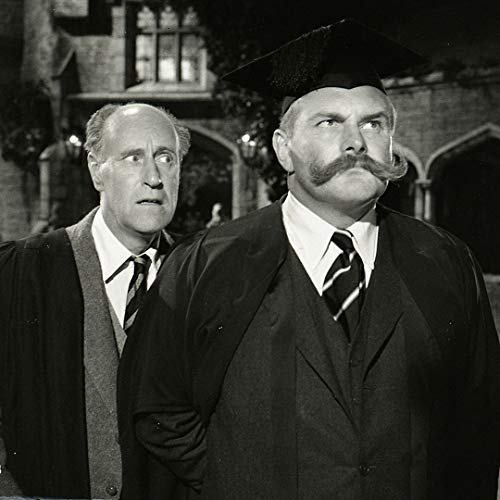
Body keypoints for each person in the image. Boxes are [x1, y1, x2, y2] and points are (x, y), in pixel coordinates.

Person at [120, 19, 500, 500]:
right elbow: (157, 408)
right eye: (329, 123)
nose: (356, 142)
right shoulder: (208, 264)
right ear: (284, 149)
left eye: (373, 124)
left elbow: (477, 421)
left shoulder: (443, 261)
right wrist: (236, 478)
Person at [0, 102, 190, 498]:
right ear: (96, 170)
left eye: (166, 159)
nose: (153, 177)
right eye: (133, 158)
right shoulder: (22, 272)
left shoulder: (202, 277)